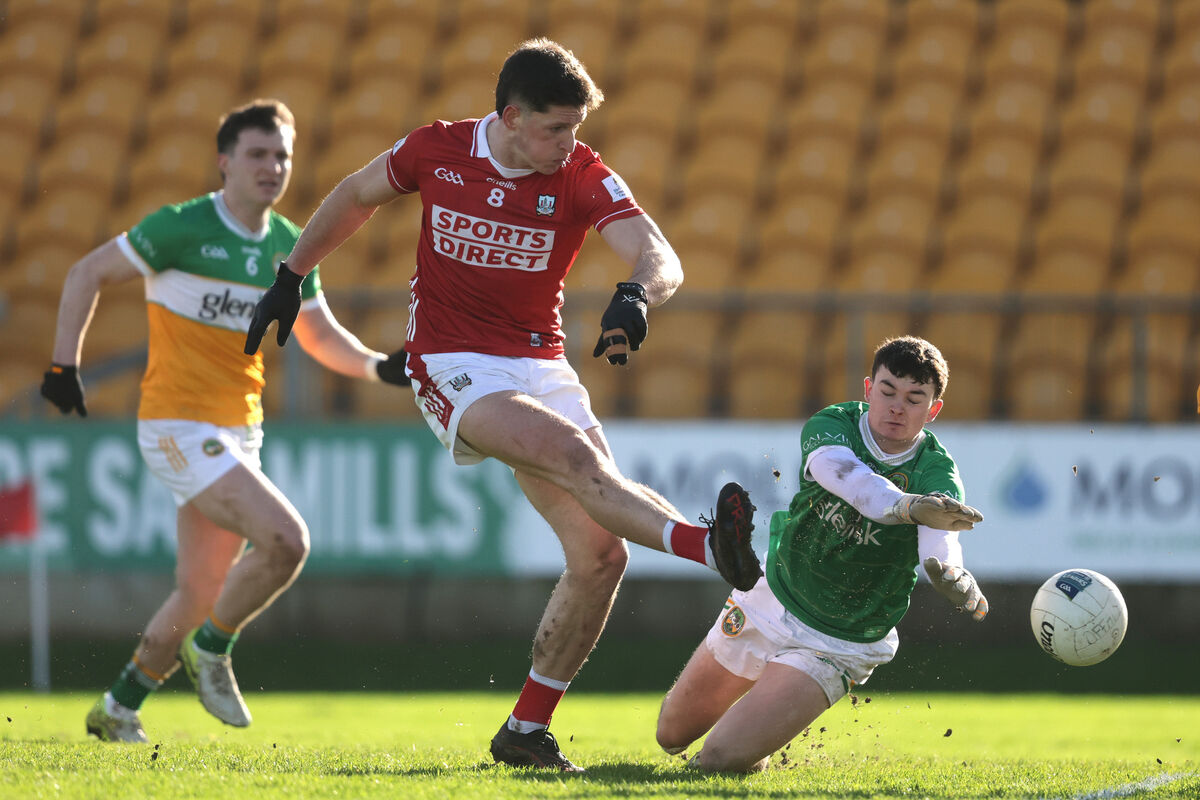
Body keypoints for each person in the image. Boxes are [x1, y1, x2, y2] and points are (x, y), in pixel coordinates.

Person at [242, 39, 759, 772]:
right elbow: (356, 195)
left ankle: (525, 732)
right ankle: (709, 548)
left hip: (539, 362)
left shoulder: (579, 171)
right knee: (577, 461)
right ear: (511, 117)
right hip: (450, 362)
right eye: (555, 128)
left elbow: (660, 252)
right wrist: (291, 276)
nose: (568, 143)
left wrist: (639, 291)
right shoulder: (437, 149)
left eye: (575, 128)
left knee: (600, 556)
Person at [40, 99, 410, 744]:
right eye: (258, 154)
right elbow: (86, 272)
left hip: (239, 430)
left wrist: (379, 368)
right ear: (224, 162)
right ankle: (212, 649)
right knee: (287, 541)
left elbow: (321, 337)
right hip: (176, 425)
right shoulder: (181, 229)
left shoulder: (291, 245)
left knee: (199, 590)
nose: (273, 167)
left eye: (282, 156)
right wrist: (62, 367)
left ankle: (118, 708)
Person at [656, 335, 989, 772]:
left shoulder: (936, 469)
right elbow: (853, 483)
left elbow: (940, 535)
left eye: (914, 398)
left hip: (840, 638)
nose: (896, 407)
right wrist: (907, 505)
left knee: (716, 760)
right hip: (771, 596)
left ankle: (750, 738)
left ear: (933, 409)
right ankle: (756, 733)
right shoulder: (833, 425)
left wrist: (950, 572)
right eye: (887, 391)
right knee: (671, 734)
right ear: (868, 389)